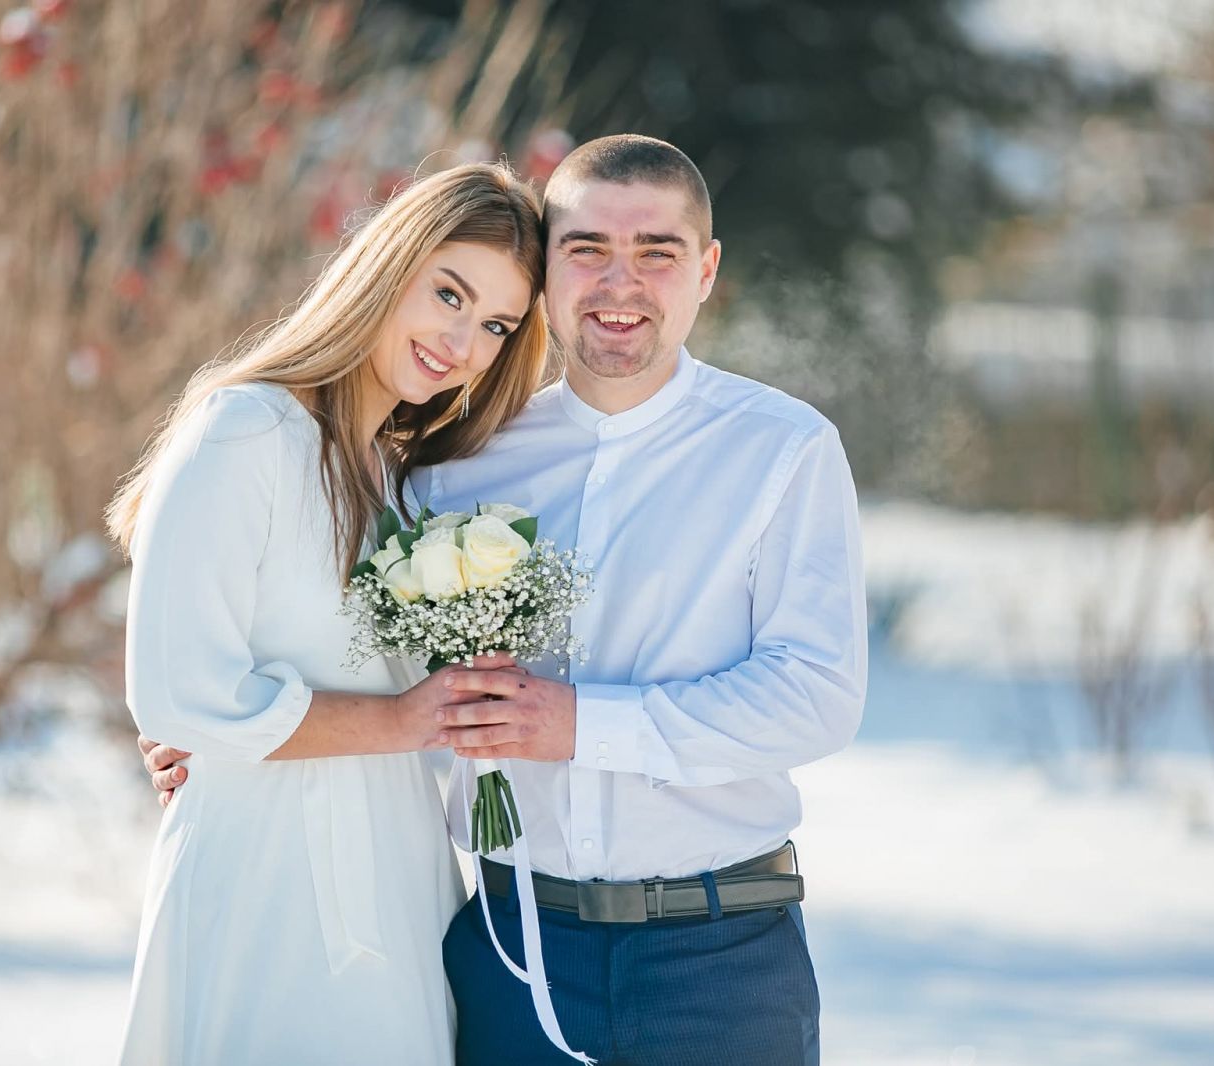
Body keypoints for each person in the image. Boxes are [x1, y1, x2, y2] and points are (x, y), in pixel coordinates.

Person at [144, 135, 867, 1065]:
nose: (620, 282)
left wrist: (580, 725)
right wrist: (218, 726)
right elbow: (371, 652)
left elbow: (814, 694)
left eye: (657, 251)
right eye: (587, 249)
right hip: (503, 946)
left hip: (717, 954)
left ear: (706, 269)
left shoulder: (783, 449)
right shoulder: (451, 463)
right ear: (548, 275)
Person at [108, 162, 549, 1066]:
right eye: (450, 294)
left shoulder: (396, 476)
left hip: (399, 867)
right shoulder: (248, 430)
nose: (462, 342)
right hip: (269, 874)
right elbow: (178, 693)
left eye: (496, 326)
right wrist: (400, 720)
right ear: (389, 266)